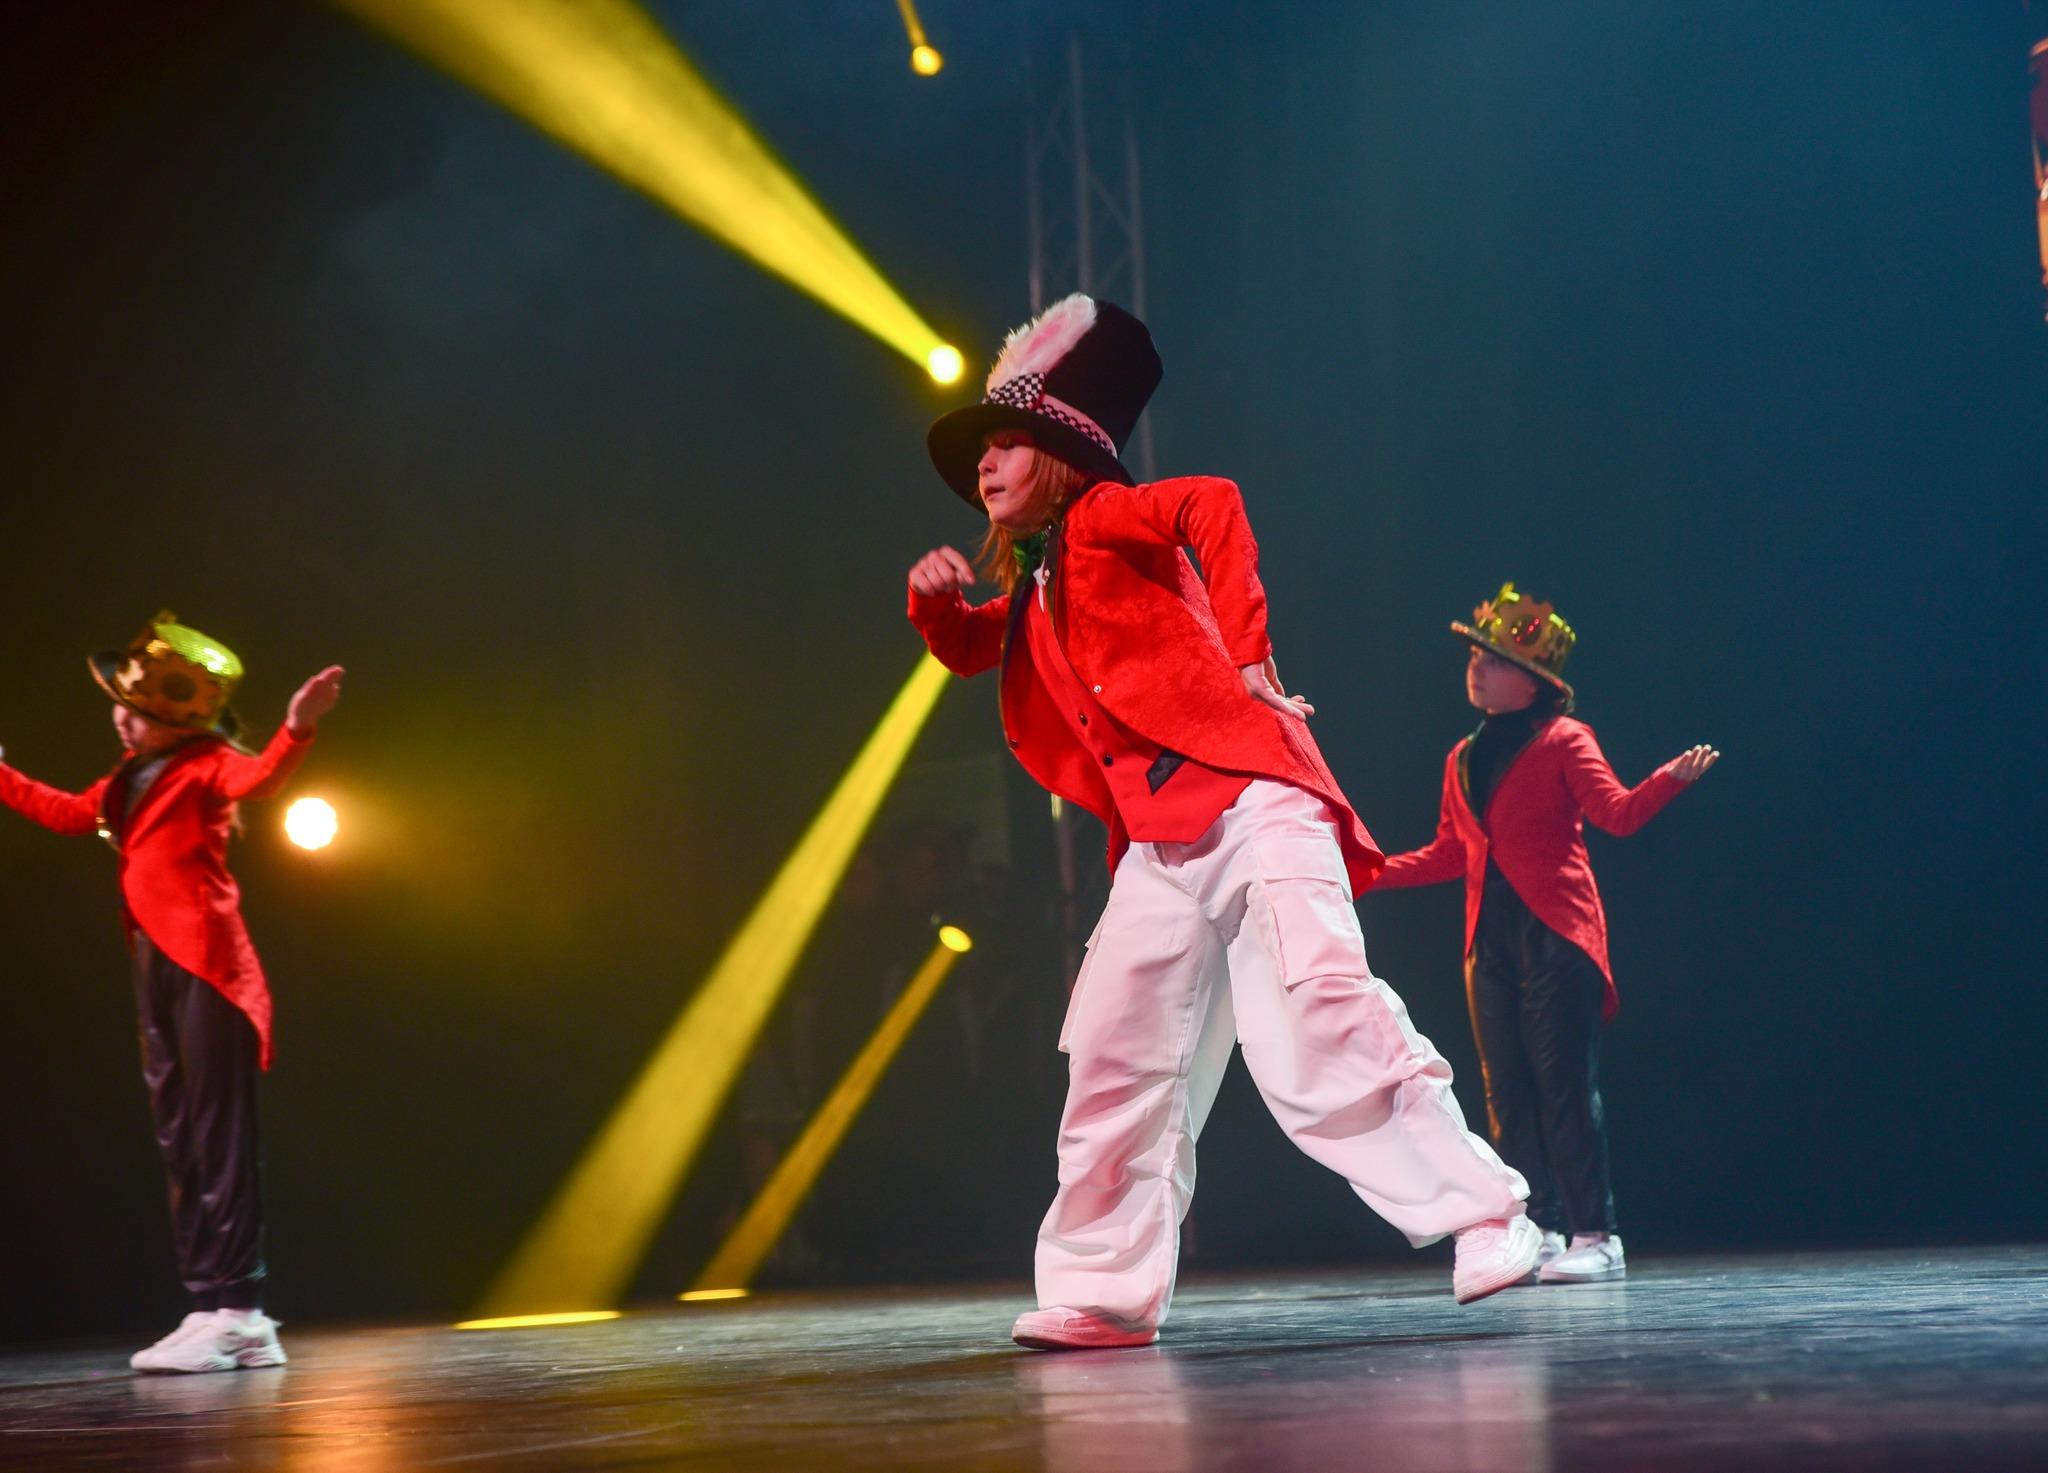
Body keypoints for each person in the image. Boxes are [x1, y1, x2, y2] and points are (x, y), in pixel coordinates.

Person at [905, 294, 1538, 1351]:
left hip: (1250, 803)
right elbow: (981, 645)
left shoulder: (1104, 517)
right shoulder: (1044, 579)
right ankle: (1103, 1287)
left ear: (1061, 453)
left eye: (1006, 441)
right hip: (1161, 848)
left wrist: (1247, 655)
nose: (985, 462)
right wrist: (935, 604)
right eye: (982, 450)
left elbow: (1214, 502)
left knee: (1319, 1014)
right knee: (1115, 1052)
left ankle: (1486, 1215)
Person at [0, 611, 343, 1371]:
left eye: (139, 713)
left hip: (209, 966)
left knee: (219, 1137)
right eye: (121, 708)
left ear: (177, 721)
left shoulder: (208, 764)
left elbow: (261, 778)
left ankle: (244, 1313)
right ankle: (208, 1303)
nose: (123, 722)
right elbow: (66, 813)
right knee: (178, 1135)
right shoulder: (128, 778)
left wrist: (296, 728)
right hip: (154, 960)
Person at [1375, 584, 1717, 1284]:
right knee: (1506, 1093)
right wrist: (1366, 870)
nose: (1476, 667)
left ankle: (1597, 1232)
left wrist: (1668, 780)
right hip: (1489, 941)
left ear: (1532, 680)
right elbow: (1448, 853)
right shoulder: (1460, 756)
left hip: (1558, 931)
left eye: (1492, 659)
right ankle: (1541, 1227)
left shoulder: (1566, 739)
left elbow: (1616, 814)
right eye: (1474, 656)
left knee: (1563, 1086)